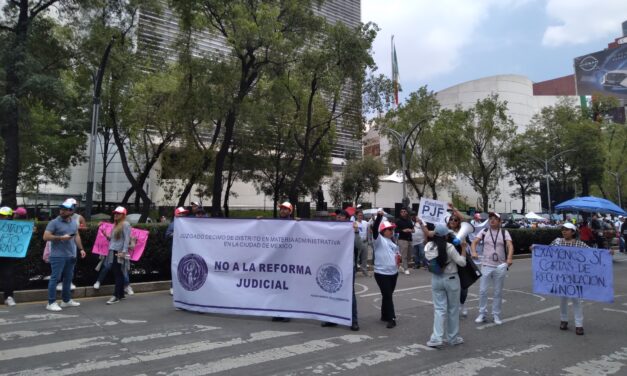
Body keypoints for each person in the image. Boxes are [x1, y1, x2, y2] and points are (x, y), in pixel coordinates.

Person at [549, 222, 614, 335]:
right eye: (563, 229)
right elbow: (546, 251)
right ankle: (563, 320)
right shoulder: (557, 242)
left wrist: (607, 253)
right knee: (563, 300)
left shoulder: (580, 244)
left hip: (576, 277)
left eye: (567, 229)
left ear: (573, 232)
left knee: (576, 300)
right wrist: (535, 248)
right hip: (561, 276)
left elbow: (593, 253)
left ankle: (579, 325)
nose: (564, 231)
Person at [425, 224, 467, 347]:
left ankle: (436, 338)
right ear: (446, 235)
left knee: (439, 309)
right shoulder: (450, 247)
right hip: (451, 279)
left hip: (436, 279)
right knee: (453, 309)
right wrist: (463, 248)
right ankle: (452, 338)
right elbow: (462, 263)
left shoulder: (428, 246)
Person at [470, 211, 514, 325]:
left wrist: (509, 258)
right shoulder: (484, 231)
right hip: (486, 265)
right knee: (483, 291)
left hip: (500, 266)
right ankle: (482, 313)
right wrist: (474, 251)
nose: (492, 220)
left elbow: (510, 245)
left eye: (495, 218)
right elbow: (474, 242)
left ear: (500, 221)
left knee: (497, 292)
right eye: (490, 218)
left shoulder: (505, 232)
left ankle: (496, 315)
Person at [43, 201, 87, 311]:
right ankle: (51, 302)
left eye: (65, 209)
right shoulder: (54, 222)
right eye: (61, 208)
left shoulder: (73, 222)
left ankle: (66, 301)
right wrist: (60, 238)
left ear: (71, 211)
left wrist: (81, 249)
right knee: (55, 278)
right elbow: (46, 237)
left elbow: (76, 236)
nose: (62, 211)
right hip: (57, 256)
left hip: (71, 255)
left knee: (68, 278)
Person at [321, 210, 360, 331]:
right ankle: (331, 318)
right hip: (332, 266)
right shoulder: (331, 229)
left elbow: (360, 246)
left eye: (342, 216)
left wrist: (356, 232)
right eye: (338, 216)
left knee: (350, 293)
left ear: (347, 219)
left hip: (347, 267)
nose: (339, 217)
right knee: (330, 292)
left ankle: (354, 320)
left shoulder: (352, 230)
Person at [372, 209, 400, 328]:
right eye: (389, 229)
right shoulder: (378, 240)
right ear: (383, 231)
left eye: (392, 229)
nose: (391, 231)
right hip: (381, 273)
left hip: (393, 273)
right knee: (388, 295)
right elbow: (374, 229)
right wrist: (379, 217)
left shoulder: (393, 242)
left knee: (387, 295)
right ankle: (391, 318)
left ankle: (384, 315)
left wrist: (399, 259)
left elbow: (396, 256)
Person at [101, 207, 132, 304]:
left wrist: (123, 252)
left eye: (118, 213)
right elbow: (114, 240)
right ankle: (121, 294)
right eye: (115, 213)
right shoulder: (116, 225)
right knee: (119, 272)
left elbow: (127, 239)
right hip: (114, 251)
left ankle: (116, 296)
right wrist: (106, 235)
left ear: (123, 215)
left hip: (119, 252)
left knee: (118, 273)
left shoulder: (125, 224)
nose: (115, 215)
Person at [271, 201, 294, 322]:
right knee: (276, 287)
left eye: (285, 209)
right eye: (281, 209)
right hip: (276, 261)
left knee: (286, 288)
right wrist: (258, 222)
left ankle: (286, 312)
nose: (283, 211)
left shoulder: (294, 224)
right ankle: (276, 312)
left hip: (288, 260)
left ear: (290, 211)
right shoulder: (274, 223)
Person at [446, 211, 470, 317]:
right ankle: (450, 307)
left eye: (455, 220)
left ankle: (462, 304)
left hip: (461, 260)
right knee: (450, 287)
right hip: (450, 263)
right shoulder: (445, 232)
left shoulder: (462, 231)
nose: (452, 221)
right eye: (451, 219)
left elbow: (466, 221)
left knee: (464, 286)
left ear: (458, 222)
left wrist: (454, 209)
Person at [166, 207, 189, 295]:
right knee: (176, 268)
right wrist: (176, 233)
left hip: (185, 249)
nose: (183, 215)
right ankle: (172, 287)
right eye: (181, 213)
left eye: (184, 213)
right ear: (176, 214)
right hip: (176, 250)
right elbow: (167, 235)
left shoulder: (187, 224)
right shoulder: (173, 224)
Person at [0, 207, 18, 306]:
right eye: (1, 215)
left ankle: (9, 297)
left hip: (7, 255)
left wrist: (29, 233)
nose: (2, 217)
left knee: (8, 276)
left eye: (4, 215)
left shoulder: (15, 227)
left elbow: (20, 238)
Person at [394, 207, 414, 275]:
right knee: (404, 255)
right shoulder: (398, 221)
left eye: (404, 211)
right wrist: (403, 230)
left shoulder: (409, 220)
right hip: (402, 239)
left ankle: (401, 266)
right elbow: (395, 230)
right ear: (400, 213)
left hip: (409, 239)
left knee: (410, 255)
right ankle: (406, 269)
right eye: (402, 211)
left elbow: (413, 229)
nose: (403, 212)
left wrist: (411, 230)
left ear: (406, 212)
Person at [355, 210, 370, 277]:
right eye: (359, 215)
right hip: (358, 242)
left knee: (364, 258)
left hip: (364, 242)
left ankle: (364, 271)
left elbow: (371, 225)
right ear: (356, 216)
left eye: (361, 215)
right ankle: (354, 271)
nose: (360, 216)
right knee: (356, 258)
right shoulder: (354, 223)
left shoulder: (365, 223)